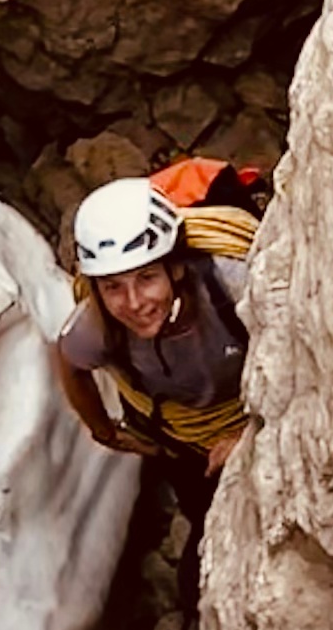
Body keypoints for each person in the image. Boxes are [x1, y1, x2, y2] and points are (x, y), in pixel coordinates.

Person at [54, 172, 258, 478]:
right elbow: (70, 361)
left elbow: (305, 357)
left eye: (147, 278)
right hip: (179, 438)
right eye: (113, 286)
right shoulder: (100, 321)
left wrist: (250, 434)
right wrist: (104, 431)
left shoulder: (233, 284)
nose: (134, 302)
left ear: (175, 269)